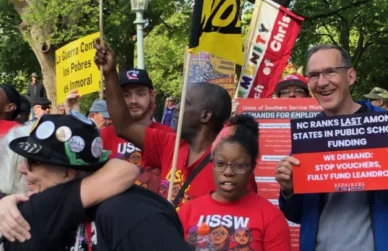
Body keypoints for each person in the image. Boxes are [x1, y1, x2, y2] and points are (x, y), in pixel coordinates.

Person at [94, 39, 257, 209]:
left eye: (185, 103)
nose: (177, 107)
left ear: (205, 115)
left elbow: (246, 214)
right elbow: (124, 126)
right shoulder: (171, 144)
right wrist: (110, 73)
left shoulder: (231, 165)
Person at [0, 114, 192, 251]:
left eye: (33, 162)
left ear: (68, 174)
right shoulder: (26, 212)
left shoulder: (129, 214)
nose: (22, 169)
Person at [275, 44, 387, 251]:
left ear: (351, 76)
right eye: (314, 75)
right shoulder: (308, 136)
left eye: (330, 71)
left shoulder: (382, 127)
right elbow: (297, 214)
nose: (322, 82)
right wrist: (289, 189)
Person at [178, 115, 291, 251]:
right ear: (212, 163)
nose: (228, 172)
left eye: (239, 165)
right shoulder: (187, 211)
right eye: (220, 163)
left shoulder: (271, 217)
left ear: (252, 167)